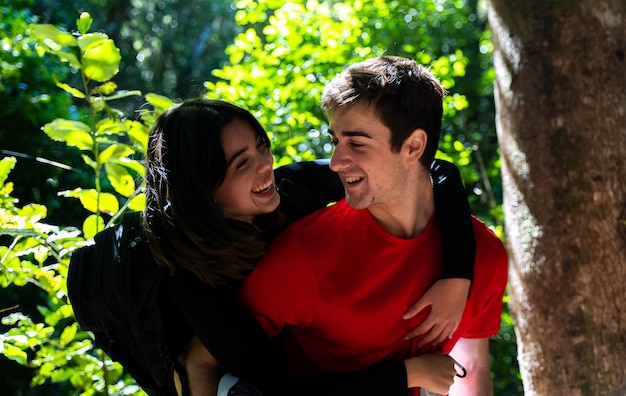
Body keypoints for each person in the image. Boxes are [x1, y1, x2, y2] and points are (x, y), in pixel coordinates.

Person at [141, 98, 476, 395]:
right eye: (242, 163)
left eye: (262, 146)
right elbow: (280, 388)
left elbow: (430, 171)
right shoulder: (192, 281)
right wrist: (409, 373)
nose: (265, 165)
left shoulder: (290, 187)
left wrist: (458, 275)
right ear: (202, 190)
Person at [238, 56, 508, 396]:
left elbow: (473, 368)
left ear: (413, 146)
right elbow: (213, 366)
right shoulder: (302, 256)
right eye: (335, 140)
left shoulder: (485, 257)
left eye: (357, 143)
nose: (335, 162)